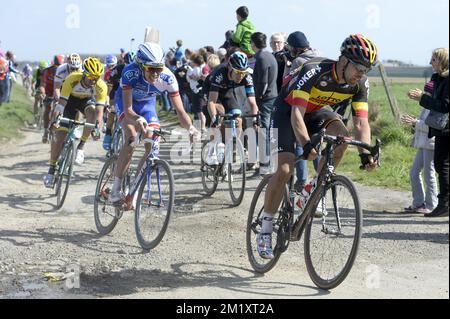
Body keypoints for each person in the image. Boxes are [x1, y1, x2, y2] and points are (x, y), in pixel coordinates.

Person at [257, 34, 379, 259]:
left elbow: (361, 122)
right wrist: (305, 145)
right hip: (287, 111)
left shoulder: (359, 83)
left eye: (367, 69)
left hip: (317, 112)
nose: (362, 74)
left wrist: (365, 153)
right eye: (359, 67)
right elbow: (296, 114)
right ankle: (265, 227)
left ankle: (310, 189)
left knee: (343, 137)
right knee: (285, 169)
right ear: (343, 61)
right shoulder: (313, 71)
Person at [109, 42, 198, 204]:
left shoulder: (168, 77)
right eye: (151, 68)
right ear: (141, 65)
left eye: (159, 68)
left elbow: (180, 111)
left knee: (152, 146)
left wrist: (190, 127)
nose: (156, 73)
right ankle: (116, 187)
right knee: (131, 140)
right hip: (126, 104)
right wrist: (137, 119)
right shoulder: (130, 72)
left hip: (147, 106)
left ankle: (134, 190)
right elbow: (128, 110)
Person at [43, 57, 107, 188]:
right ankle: (51, 169)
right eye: (91, 77)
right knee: (60, 135)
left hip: (86, 101)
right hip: (69, 102)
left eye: (97, 77)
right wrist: (55, 119)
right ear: (84, 73)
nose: (94, 81)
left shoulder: (101, 86)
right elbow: (61, 104)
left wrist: (97, 128)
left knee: (92, 112)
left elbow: (100, 111)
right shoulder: (72, 79)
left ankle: (81, 147)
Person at [408, 48, 449, 217]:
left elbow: (445, 105)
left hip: (446, 129)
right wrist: (423, 96)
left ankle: (444, 205)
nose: (430, 62)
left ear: (442, 61)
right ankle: (442, 204)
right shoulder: (438, 78)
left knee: (443, 166)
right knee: (440, 165)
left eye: (433, 59)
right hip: (440, 129)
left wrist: (423, 98)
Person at [282, 31, 322, 192]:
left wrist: (288, 65)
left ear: (295, 49)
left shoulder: (298, 60)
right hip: (320, 105)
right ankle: (320, 177)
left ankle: (302, 179)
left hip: (303, 105)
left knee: (301, 143)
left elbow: (286, 85)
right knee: (316, 144)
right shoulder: (320, 55)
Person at [401, 98, 438, 214]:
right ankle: (418, 203)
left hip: (431, 144)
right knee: (414, 172)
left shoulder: (437, 106)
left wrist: (415, 122)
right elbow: (422, 123)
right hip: (423, 144)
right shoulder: (426, 107)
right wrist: (414, 123)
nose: (424, 94)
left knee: (428, 174)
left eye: (427, 93)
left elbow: (432, 126)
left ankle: (432, 205)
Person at [250, 32, 278, 167]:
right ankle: (270, 162)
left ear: (253, 44)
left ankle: (265, 164)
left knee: (264, 131)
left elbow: (263, 82)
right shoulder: (270, 56)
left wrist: (258, 97)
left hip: (265, 99)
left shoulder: (261, 58)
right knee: (270, 131)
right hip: (273, 96)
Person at [103, 52, 135, 151]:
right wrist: (107, 100)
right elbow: (109, 85)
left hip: (129, 95)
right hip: (115, 93)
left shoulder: (137, 70)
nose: (129, 67)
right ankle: (108, 133)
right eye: (126, 64)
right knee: (112, 112)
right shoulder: (117, 69)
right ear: (123, 62)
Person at [40, 55, 65, 143]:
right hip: (49, 92)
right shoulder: (47, 71)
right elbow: (42, 85)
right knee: (48, 108)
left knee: (61, 110)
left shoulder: (65, 72)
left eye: (59, 66)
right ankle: (46, 130)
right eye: (56, 66)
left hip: (61, 92)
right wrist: (43, 93)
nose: (58, 68)